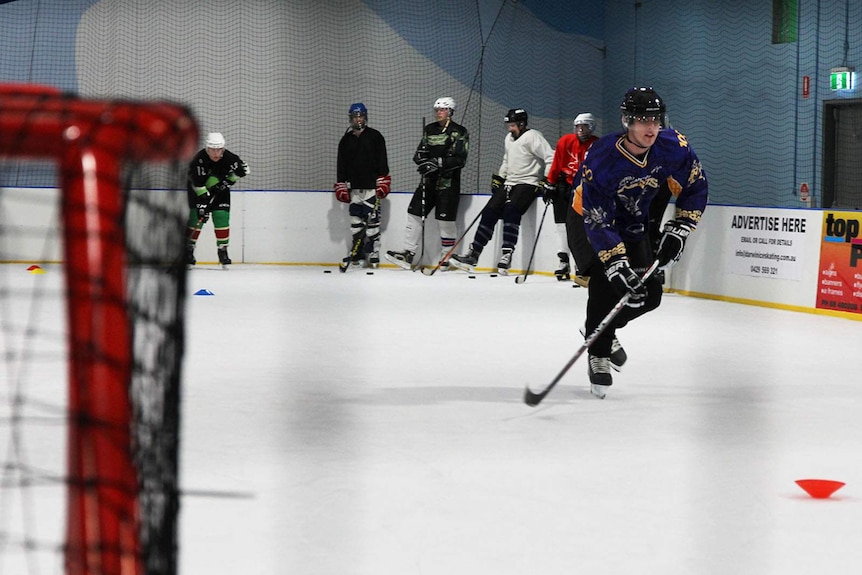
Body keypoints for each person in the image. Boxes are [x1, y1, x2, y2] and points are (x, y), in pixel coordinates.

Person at [567, 87, 708, 398]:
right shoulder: (603, 155)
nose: (651, 128)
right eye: (643, 120)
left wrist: (679, 228)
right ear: (627, 121)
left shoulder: (673, 147)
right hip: (587, 218)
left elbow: (695, 184)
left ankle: (599, 329)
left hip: (631, 223)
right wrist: (616, 263)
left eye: (655, 120)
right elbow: (598, 217)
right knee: (609, 281)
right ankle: (599, 353)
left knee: (650, 294)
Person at [450, 108, 553, 275]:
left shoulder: (533, 137)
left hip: (528, 183)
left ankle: (506, 255)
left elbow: (550, 157)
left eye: (512, 125)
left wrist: (547, 179)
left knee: (511, 210)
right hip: (510, 182)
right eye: (509, 125)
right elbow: (507, 159)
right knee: (489, 211)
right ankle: (474, 254)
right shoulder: (509, 138)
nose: (509, 128)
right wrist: (500, 175)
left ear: (521, 123)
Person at [385, 97, 469, 270]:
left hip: (448, 184)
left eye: (443, 109)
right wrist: (423, 162)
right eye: (437, 110)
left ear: (450, 112)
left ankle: (445, 257)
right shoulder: (429, 129)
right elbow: (419, 153)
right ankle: (408, 253)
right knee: (414, 213)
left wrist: (437, 162)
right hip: (428, 182)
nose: (439, 112)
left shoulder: (459, 131)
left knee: (444, 221)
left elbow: (460, 159)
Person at [335, 102, 390, 268]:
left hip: (371, 187)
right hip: (354, 189)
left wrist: (383, 181)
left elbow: (382, 161)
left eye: (360, 116)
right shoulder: (345, 141)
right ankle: (357, 253)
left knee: (372, 223)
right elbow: (341, 165)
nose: (358, 119)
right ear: (350, 118)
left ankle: (373, 251)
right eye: (355, 116)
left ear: (365, 116)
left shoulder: (375, 136)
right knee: (356, 223)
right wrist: (341, 184)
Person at [546, 113, 599, 283]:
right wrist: (550, 184)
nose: (581, 130)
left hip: (584, 191)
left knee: (580, 228)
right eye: (578, 126)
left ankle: (581, 263)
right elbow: (556, 164)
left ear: (592, 127)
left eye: (585, 126)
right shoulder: (565, 141)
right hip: (565, 187)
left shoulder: (597, 145)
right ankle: (563, 261)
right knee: (561, 224)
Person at [186, 132, 249, 267]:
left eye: (219, 149)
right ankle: (188, 250)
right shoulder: (198, 159)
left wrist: (234, 177)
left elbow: (243, 169)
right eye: (213, 149)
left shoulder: (229, 158)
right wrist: (203, 205)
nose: (216, 153)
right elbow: (198, 184)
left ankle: (223, 251)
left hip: (220, 192)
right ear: (207, 148)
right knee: (196, 217)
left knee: (221, 216)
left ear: (223, 149)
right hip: (198, 191)